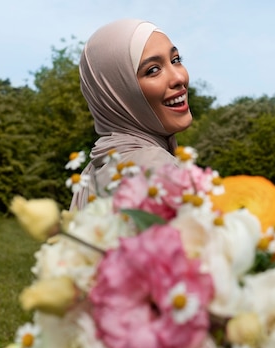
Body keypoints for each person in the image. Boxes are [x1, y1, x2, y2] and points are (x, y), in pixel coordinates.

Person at [70, 18, 193, 209]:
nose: (179, 78)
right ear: (117, 93)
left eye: (175, 60)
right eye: (153, 70)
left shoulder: (97, 169)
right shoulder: (153, 168)